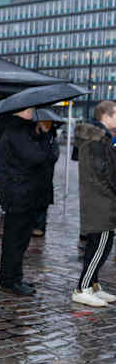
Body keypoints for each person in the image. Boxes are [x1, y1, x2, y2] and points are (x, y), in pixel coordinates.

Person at [0, 107, 58, 296]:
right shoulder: (16, 131)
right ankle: (9, 279)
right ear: (20, 111)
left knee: (20, 240)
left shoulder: (23, 131)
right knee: (15, 240)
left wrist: (45, 136)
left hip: (27, 193)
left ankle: (14, 277)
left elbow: (47, 157)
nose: (33, 112)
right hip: (19, 193)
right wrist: (46, 137)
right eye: (30, 109)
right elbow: (36, 157)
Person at [72, 101, 116, 307]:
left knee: (101, 244)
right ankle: (83, 287)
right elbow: (105, 173)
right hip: (101, 199)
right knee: (100, 245)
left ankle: (93, 285)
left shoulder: (99, 138)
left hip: (100, 198)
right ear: (106, 116)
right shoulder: (97, 140)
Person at [32, 120, 60, 237]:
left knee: (42, 203)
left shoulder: (51, 139)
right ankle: (34, 225)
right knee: (34, 202)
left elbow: (53, 157)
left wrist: (41, 158)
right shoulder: (34, 136)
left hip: (45, 176)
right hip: (34, 176)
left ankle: (39, 227)